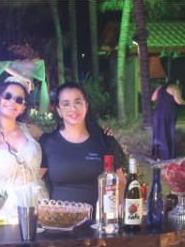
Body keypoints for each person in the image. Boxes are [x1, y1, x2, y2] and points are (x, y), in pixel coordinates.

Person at [0, 76, 48, 224]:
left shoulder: (33, 131)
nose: (12, 101)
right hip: (2, 213)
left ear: (23, 107)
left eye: (19, 100)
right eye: (8, 96)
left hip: (38, 207)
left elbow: (52, 154)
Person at [40, 82, 126, 210]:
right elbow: (34, 180)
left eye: (78, 102)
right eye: (66, 104)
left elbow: (120, 181)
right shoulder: (48, 142)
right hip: (59, 218)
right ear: (59, 110)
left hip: (97, 218)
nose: (73, 109)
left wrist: (115, 214)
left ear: (86, 105)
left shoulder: (105, 140)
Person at [151, 78, 185, 160]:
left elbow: (153, 98)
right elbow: (179, 101)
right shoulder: (174, 88)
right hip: (168, 112)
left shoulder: (161, 87)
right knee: (168, 131)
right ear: (176, 81)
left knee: (158, 132)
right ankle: (167, 154)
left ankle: (158, 154)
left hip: (158, 111)